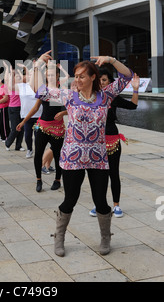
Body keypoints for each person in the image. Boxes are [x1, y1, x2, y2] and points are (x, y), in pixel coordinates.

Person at [34, 51, 133, 257]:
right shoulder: (69, 96)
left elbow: (127, 76)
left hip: (98, 157)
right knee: (70, 199)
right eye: (75, 76)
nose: (77, 80)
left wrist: (112, 60)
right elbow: (40, 90)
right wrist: (37, 66)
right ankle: (59, 237)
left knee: (101, 201)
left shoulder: (105, 97)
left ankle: (106, 237)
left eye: (81, 76)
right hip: (72, 158)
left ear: (93, 77)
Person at [89, 69, 140, 218]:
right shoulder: (92, 97)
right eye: (99, 80)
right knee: (99, 175)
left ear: (110, 83)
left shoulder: (113, 97)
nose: (101, 83)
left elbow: (133, 106)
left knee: (113, 173)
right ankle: (99, 204)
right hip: (96, 141)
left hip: (112, 139)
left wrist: (135, 89)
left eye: (104, 80)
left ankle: (116, 205)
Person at [17, 63, 66, 192]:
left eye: (52, 75)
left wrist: (63, 113)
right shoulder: (43, 90)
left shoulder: (62, 91)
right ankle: (39, 180)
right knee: (38, 153)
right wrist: (23, 122)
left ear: (57, 76)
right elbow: (35, 108)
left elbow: (73, 108)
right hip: (42, 126)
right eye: (47, 74)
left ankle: (57, 180)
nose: (49, 77)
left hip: (57, 127)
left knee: (58, 154)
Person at [17, 64, 43, 159]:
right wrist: (24, 68)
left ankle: (38, 151)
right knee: (28, 134)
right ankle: (29, 149)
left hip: (38, 117)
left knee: (37, 134)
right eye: (29, 74)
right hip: (27, 117)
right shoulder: (21, 86)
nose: (30, 76)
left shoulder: (39, 87)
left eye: (33, 74)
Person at [3, 63, 25, 152]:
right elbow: (6, 79)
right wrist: (9, 71)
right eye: (17, 77)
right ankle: (8, 143)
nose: (19, 78)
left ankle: (18, 146)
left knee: (22, 128)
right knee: (15, 128)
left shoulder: (21, 86)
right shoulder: (11, 87)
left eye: (20, 77)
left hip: (21, 108)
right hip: (13, 109)